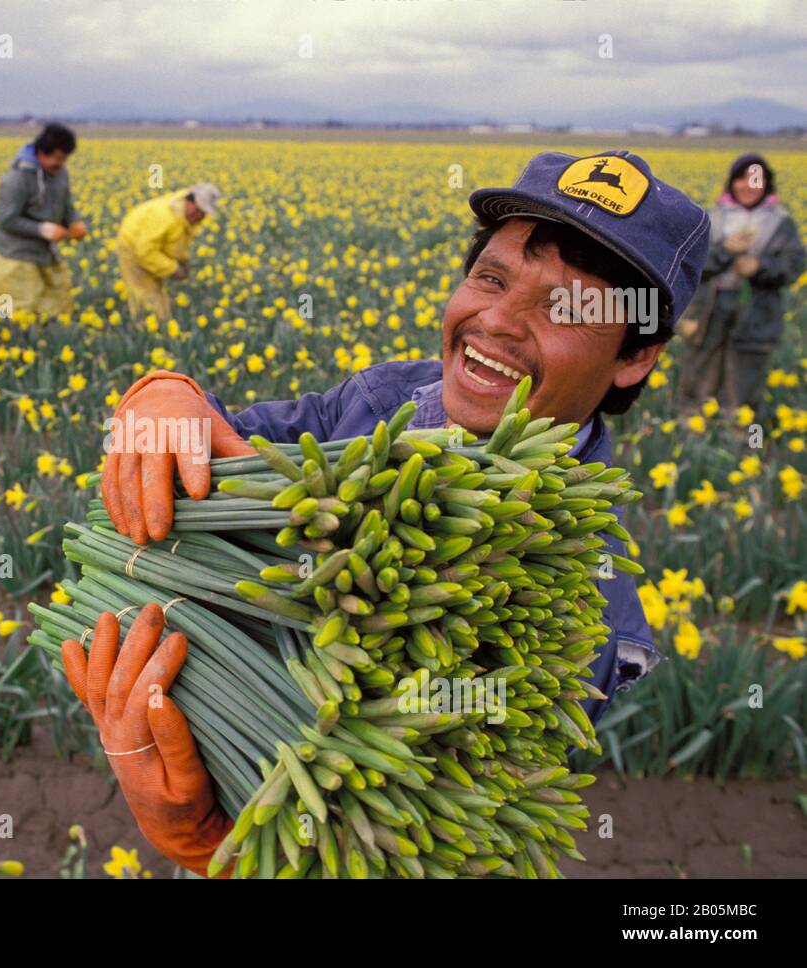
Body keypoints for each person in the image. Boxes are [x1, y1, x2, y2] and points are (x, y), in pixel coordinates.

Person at [67, 150, 710, 877]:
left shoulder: (589, 607)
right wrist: (167, 397)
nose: (497, 321)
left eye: (566, 308)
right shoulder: (377, 403)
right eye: (491, 278)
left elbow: (439, 822)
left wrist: (218, 837)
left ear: (635, 356)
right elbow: (227, 441)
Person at [678, 153, 805, 417]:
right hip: (709, 309)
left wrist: (760, 267)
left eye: (757, 181)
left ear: (767, 185)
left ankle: (746, 443)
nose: (749, 186)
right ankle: (692, 440)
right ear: (732, 182)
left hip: (755, 313)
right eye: (743, 179)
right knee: (699, 374)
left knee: (745, 383)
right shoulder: (711, 217)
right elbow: (691, 264)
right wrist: (724, 251)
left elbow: (794, 267)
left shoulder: (781, 223)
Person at [0, 123, 87, 319]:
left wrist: (75, 222)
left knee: (55, 305)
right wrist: (42, 229)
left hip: (45, 252)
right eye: (58, 158)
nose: (62, 163)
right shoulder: (16, 179)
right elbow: (6, 220)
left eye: (65, 158)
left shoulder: (60, 174)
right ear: (41, 153)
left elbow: (67, 205)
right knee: (17, 309)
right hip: (17, 254)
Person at [115, 183, 221, 322]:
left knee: (158, 292)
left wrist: (183, 260)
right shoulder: (165, 216)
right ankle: (147, 330)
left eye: (204, 213)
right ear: (190, 201)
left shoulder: (185, 216)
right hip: (132, 247)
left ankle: (161, 325)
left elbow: (177, 241)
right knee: (146, 295)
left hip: (149, 248)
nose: (201, 216)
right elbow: (145, 252)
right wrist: (173, 269)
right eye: (200, 210)